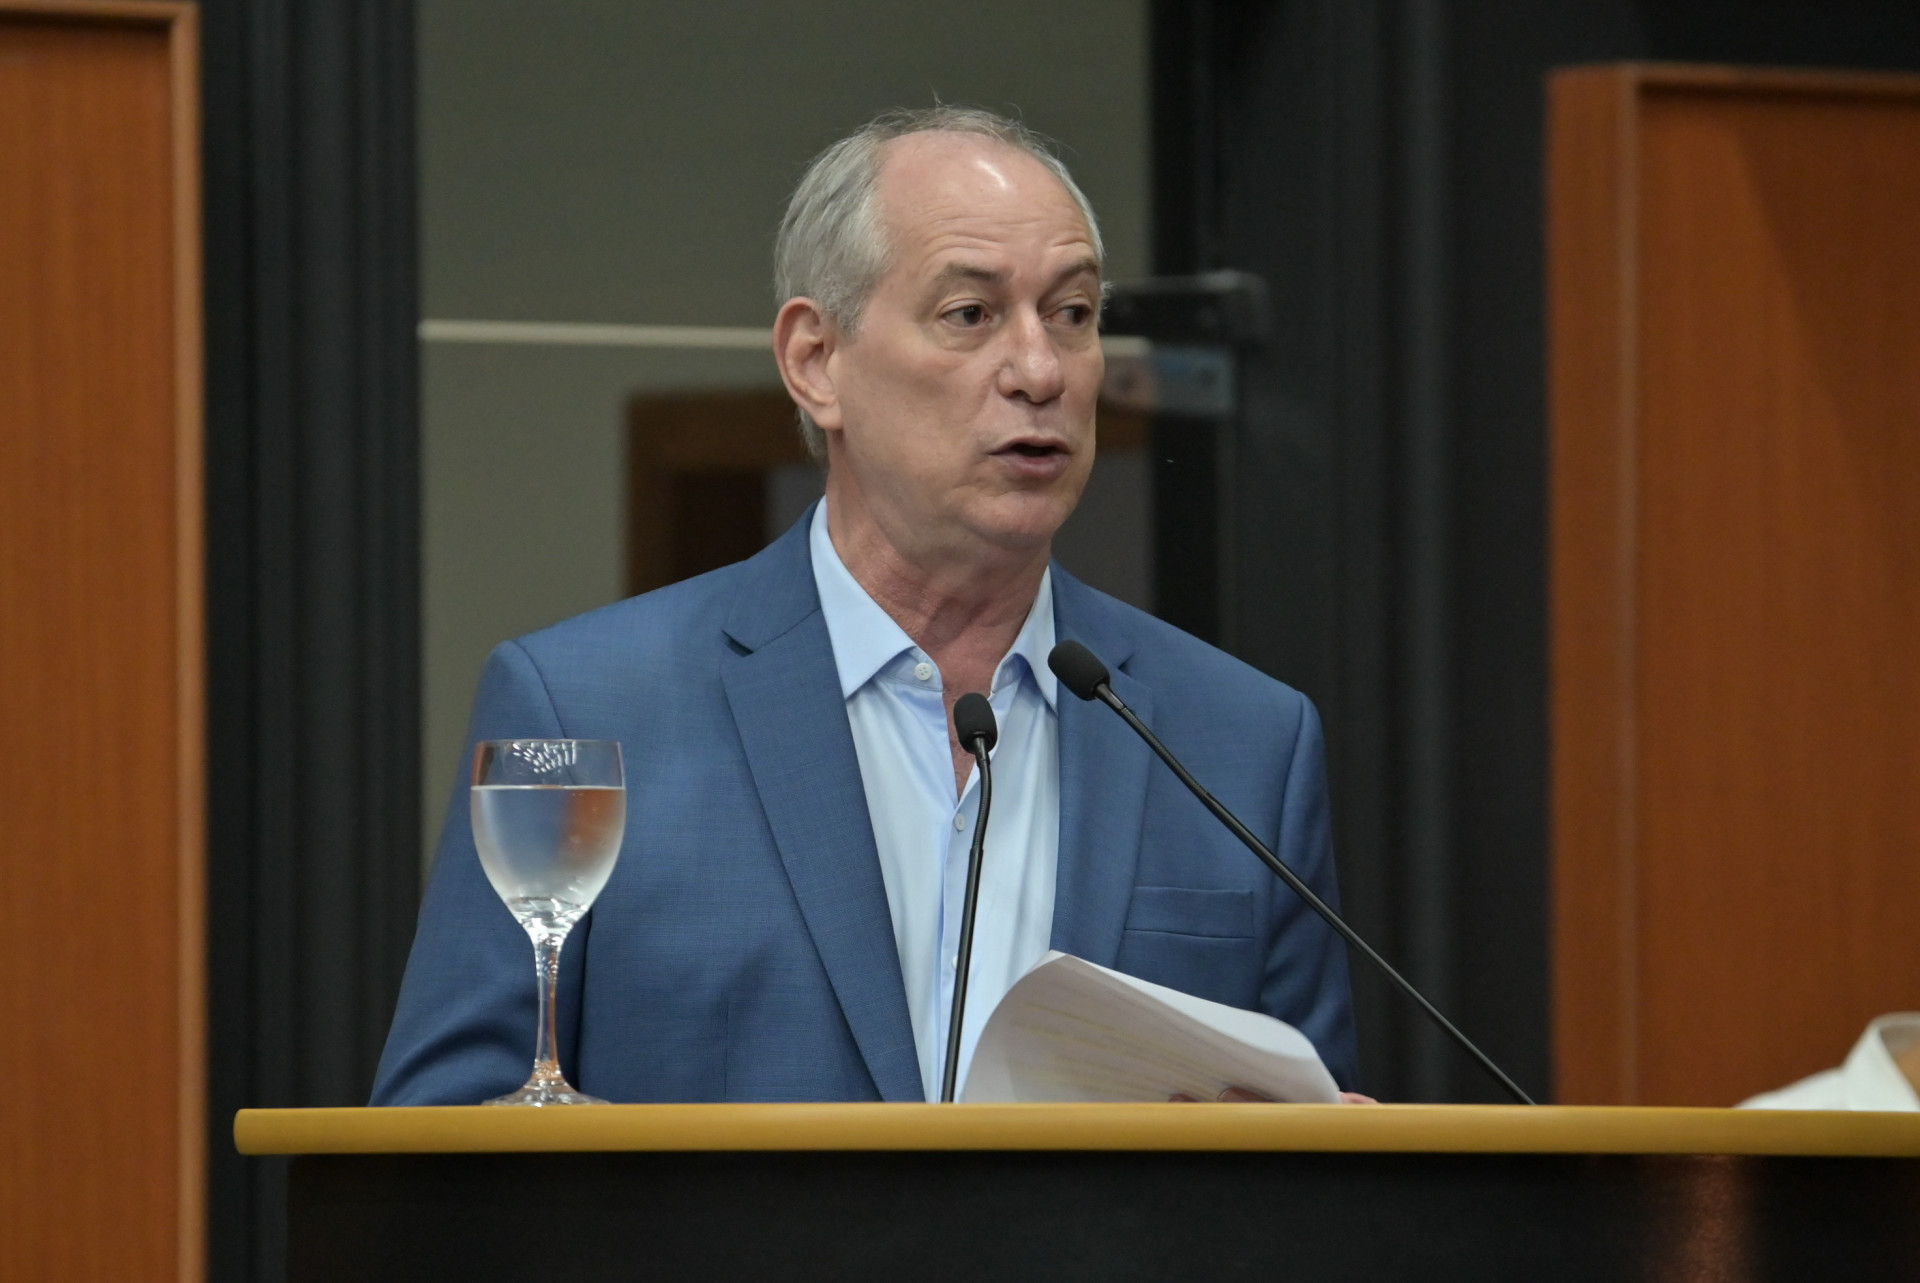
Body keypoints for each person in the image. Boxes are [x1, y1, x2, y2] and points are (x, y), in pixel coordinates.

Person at [372, 107, 1359, 1106]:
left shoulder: (1242, 741)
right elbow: (440, 1151)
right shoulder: (586, 707)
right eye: (970, 314)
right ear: (816, 361)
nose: (1041, 370)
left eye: (1073, 313)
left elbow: (1307, 1175)